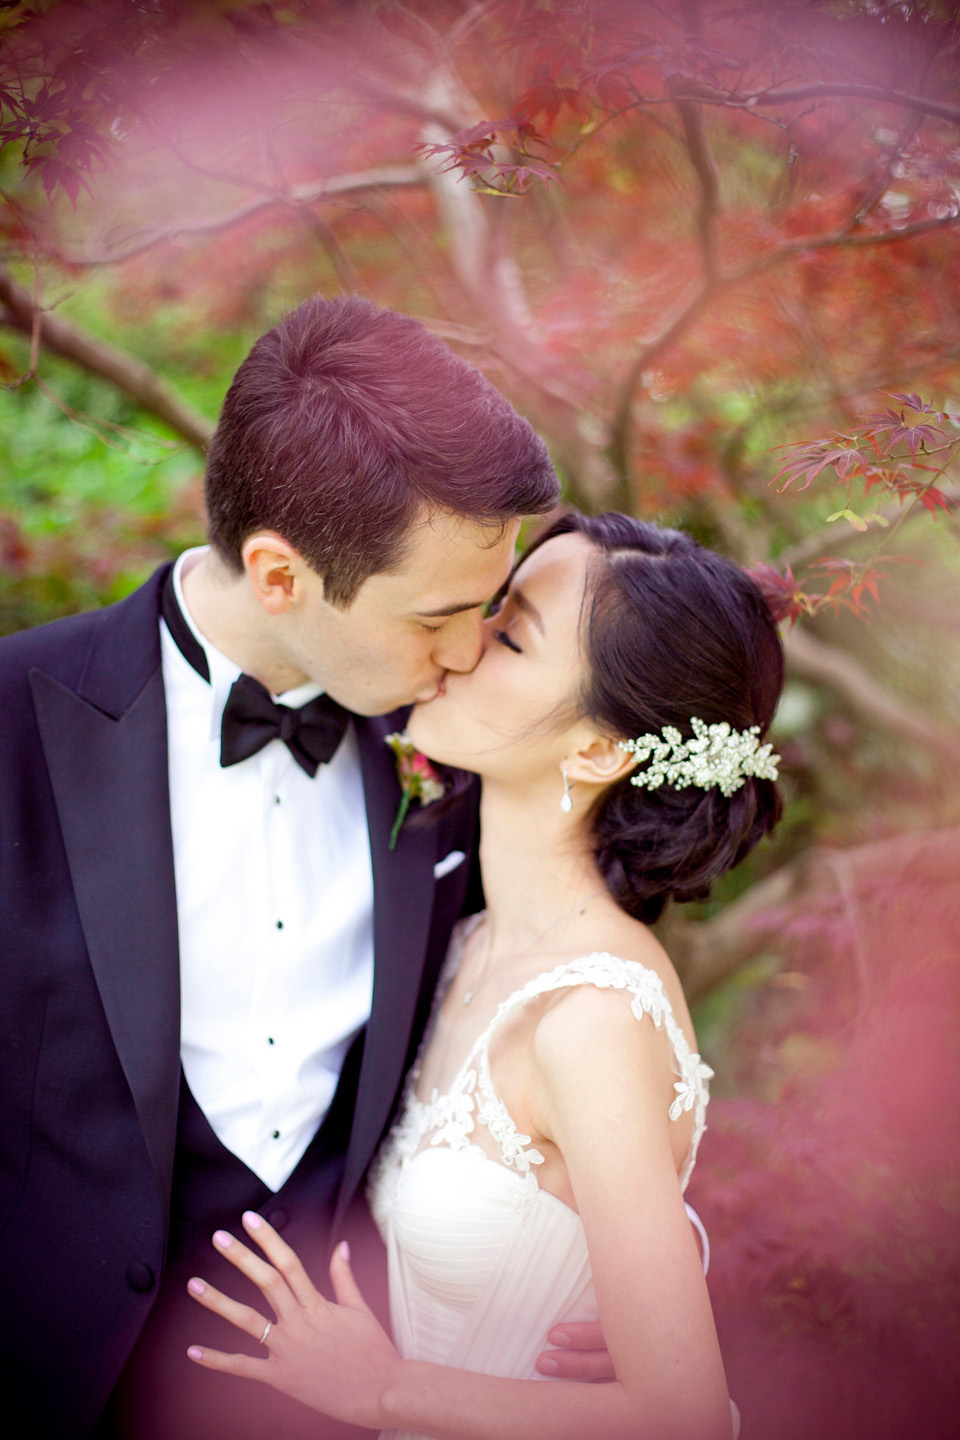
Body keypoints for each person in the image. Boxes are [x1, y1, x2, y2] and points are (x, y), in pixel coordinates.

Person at [0, 294, 585, 1440]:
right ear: (279, 576)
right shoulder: (13, 722)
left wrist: (590, 1272)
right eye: (440, 615)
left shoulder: (461, 749)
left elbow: (547, 1007)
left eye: (491, 610)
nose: (468, 654)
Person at [185, 510, 784, 1439]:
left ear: (596, 750)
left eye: (506, 636)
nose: (461, 643)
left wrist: (383, 1391)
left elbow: (687, 1415)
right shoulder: (463, 936)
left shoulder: (593, 1017)